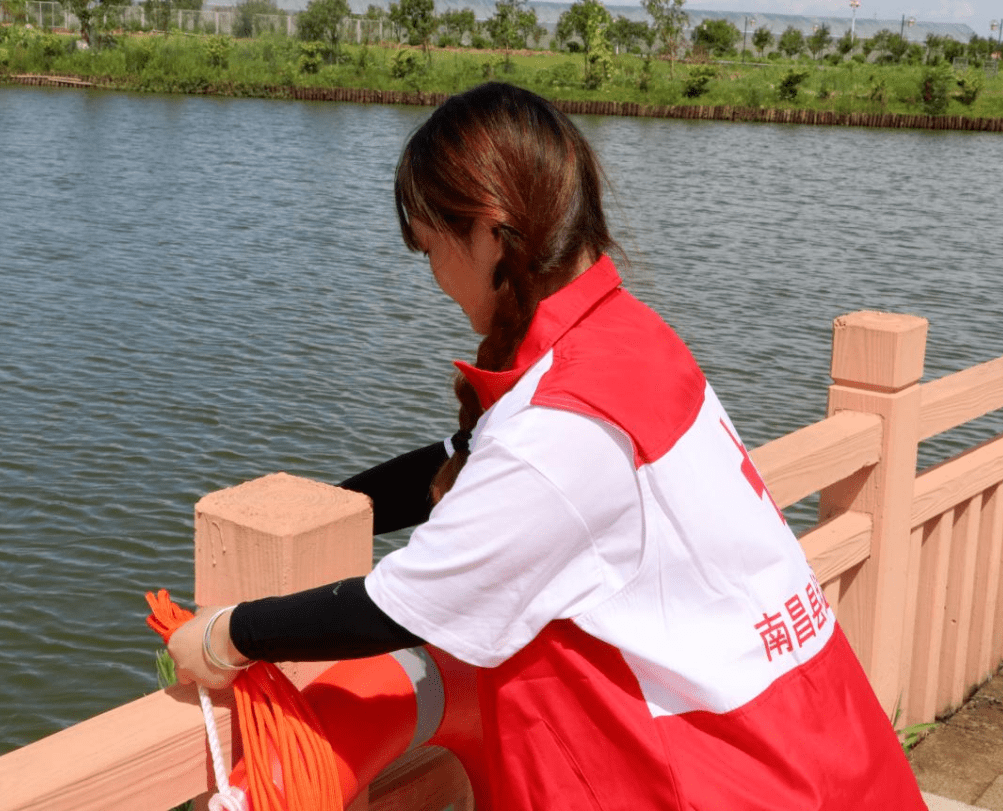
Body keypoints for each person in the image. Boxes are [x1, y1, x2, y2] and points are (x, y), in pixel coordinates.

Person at [169, 82, 926, 809]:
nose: (432, 275)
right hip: (821, 742)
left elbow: (402, 606)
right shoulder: (625, 338)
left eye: (432, 246)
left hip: (727, 774)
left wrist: (229, 633)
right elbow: (464, 456)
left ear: (492, 230)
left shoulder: (558, 433)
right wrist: (337, 503)